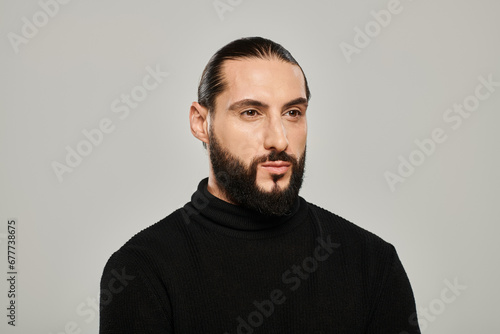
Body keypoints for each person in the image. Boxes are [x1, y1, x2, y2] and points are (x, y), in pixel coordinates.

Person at [99, 36, 421, 333]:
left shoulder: (372, 263)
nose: (279, 140)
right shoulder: (141, 270)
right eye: (251, 112)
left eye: (293, 112)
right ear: (201, 123)